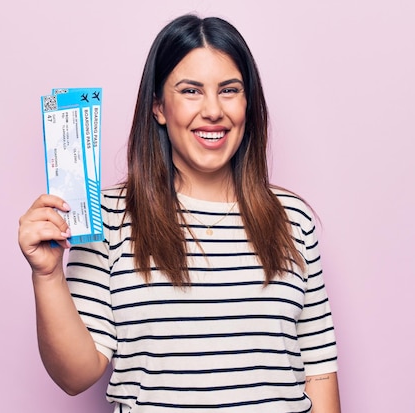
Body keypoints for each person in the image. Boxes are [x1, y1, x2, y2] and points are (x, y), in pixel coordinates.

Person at [18, 13, 341, 412]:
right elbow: (75, 376)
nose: (212, 111)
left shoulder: (293, 219)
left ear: (247, 103)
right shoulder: (108, 218)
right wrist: (47, 276)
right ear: (158, 107)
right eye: (191, 90)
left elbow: (320, 371)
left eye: (229, 90)